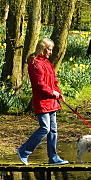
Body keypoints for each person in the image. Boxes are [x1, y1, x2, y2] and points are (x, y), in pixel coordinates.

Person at [17, 37, 69, 165]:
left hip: (51, 101)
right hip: (41, 100)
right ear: (42, 49)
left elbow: (54, 82)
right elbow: (39, 84)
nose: (51, 52)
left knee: (53, 130)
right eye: (49, 50)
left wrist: (58, 93)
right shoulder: (35, 63)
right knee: (45, 128)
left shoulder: (47, 63)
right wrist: (52, 92)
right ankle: (24, 151)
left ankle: (53, 157)